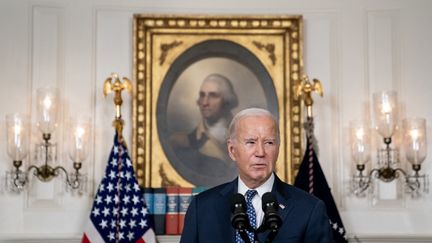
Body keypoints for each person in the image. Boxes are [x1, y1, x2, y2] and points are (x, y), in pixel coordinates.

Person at [180, 108, 332, 242]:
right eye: (251, 142)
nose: (260, 152)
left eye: (269, 143)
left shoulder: (309, 209)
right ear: (232, 150)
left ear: (278, 149)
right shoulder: (202, 207)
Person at [169, 73, 239, 186]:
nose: (205, 102)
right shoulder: (183, 145)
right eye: (202, 95)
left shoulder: (245, 137)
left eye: (213, 95)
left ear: (227, 101)